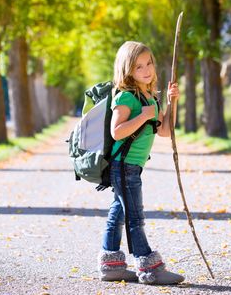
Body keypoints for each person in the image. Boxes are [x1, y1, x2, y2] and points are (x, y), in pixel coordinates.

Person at [98, 41, 184, 285]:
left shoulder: (150, 97)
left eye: (149, 64)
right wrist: (143, 115)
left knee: (119, 212)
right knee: (135, 217)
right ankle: (150, 268)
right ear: (127, 71)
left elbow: (166, 131)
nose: (147, 70)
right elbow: (117, 132)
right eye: (138, 67)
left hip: (133, 167)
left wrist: (169, 103)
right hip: (122, 166)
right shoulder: (126, 97)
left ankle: (111, 265)